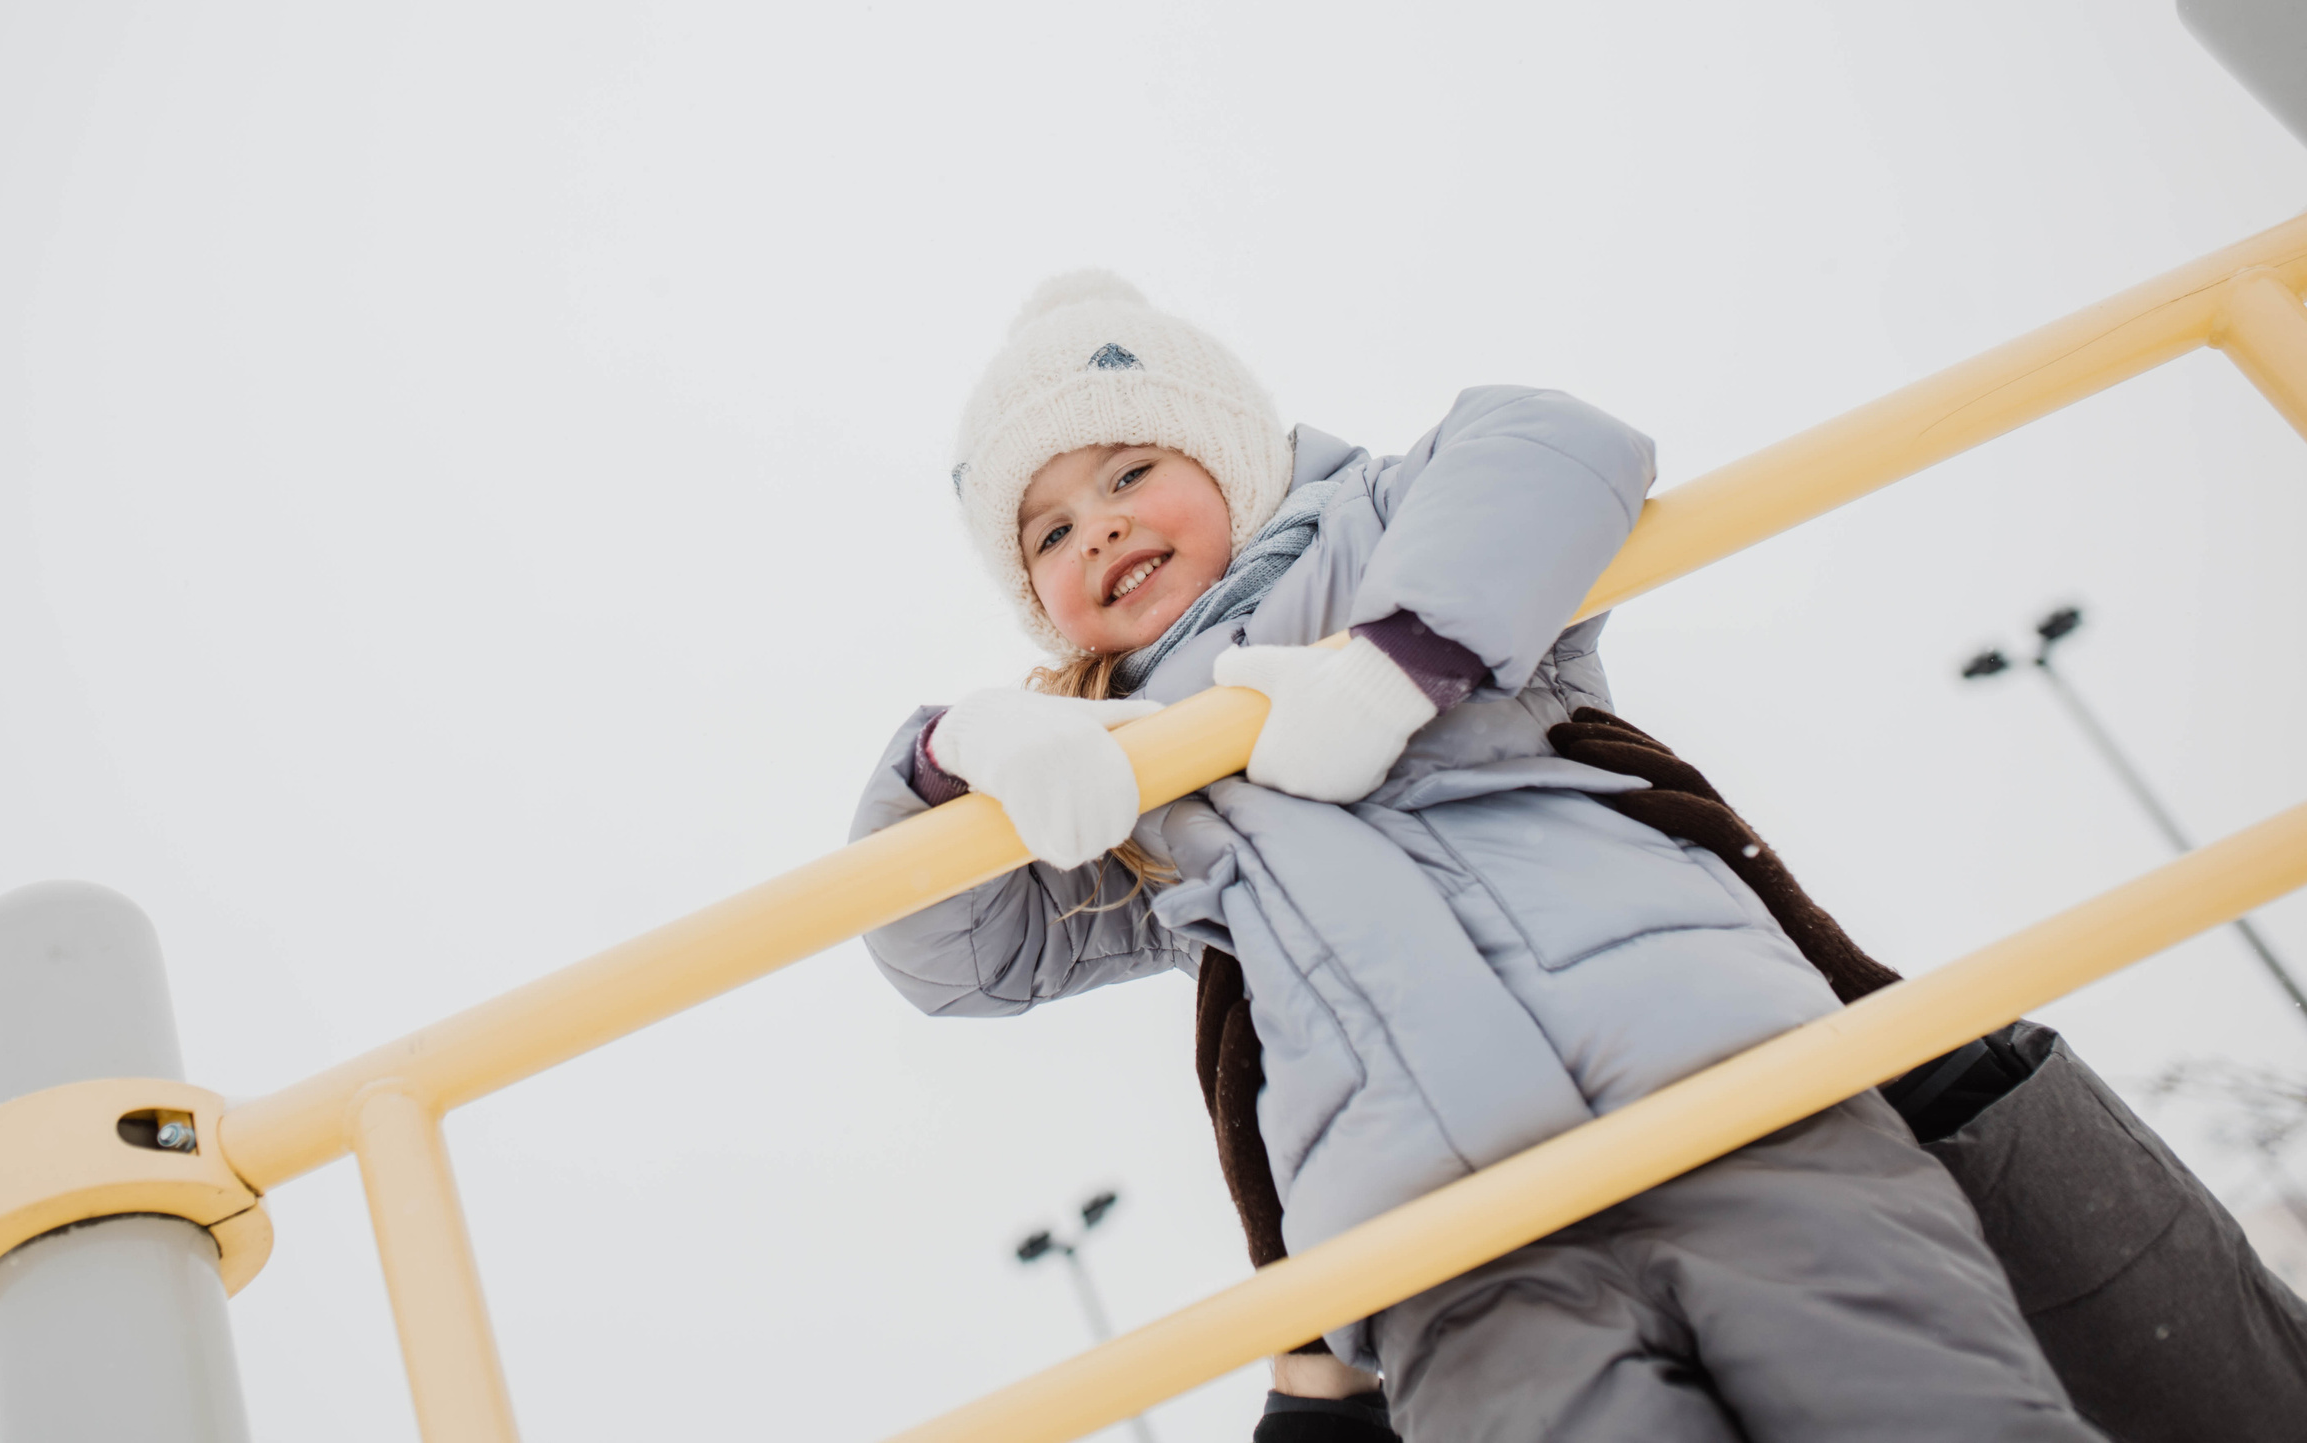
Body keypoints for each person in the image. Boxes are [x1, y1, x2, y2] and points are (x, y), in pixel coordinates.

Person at [850, 270, 2101, 1442]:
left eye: (1132, 467)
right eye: (1049, 533)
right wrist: (956, 755)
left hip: (1730, 1102)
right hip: (1440, 1259)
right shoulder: (1117, 771)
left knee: (1925, 1406)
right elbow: (950, 953)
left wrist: (1402, 659)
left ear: (1229, 453)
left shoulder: (1382, 532)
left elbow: (1550, 443)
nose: (1102, 527)